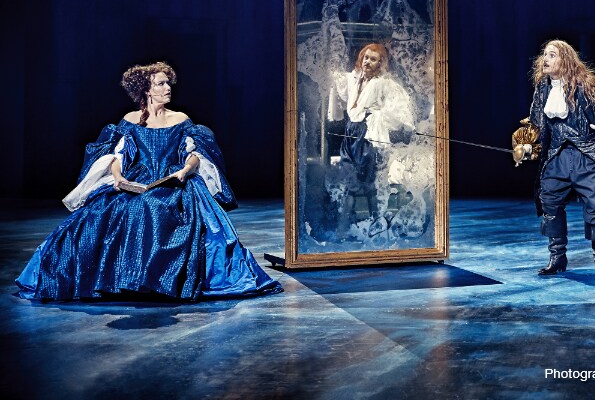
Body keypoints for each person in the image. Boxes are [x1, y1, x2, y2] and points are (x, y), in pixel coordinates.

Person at [16, 61, 283, 302]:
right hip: (138, 177)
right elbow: (118, 155)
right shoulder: (130, 121)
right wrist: (119, 178)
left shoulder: (180, 119)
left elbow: (196, 153)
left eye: (168, 83)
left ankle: (156, 279)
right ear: (146, 89)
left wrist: (185, 170)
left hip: (173, 178)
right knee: (106, 213)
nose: (168, 88)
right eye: (161, 84)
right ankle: (121, 279)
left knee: (154, 207)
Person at [527, 40, 595, 276]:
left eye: (552, 55)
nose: (545, 59)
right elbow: (536, 124)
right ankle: (557, 258)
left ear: (565, 60)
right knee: (549, 202)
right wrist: (527, 145)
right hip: (556, 156)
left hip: (586, 155)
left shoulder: (585, 85)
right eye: (544, 55)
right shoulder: (542, 89)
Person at [327, 43, 415, 236]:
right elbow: (339, 81)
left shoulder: (383, 83)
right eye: (366, 57)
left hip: (366, 135)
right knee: (351, 181)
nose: (367, 62)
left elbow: (400, 108)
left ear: (380, 63)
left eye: (373, 59)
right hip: (350, 133)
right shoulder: (355, 78)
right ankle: (362, 221)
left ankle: (369, 223)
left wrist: (379, 116)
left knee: (364, 182)